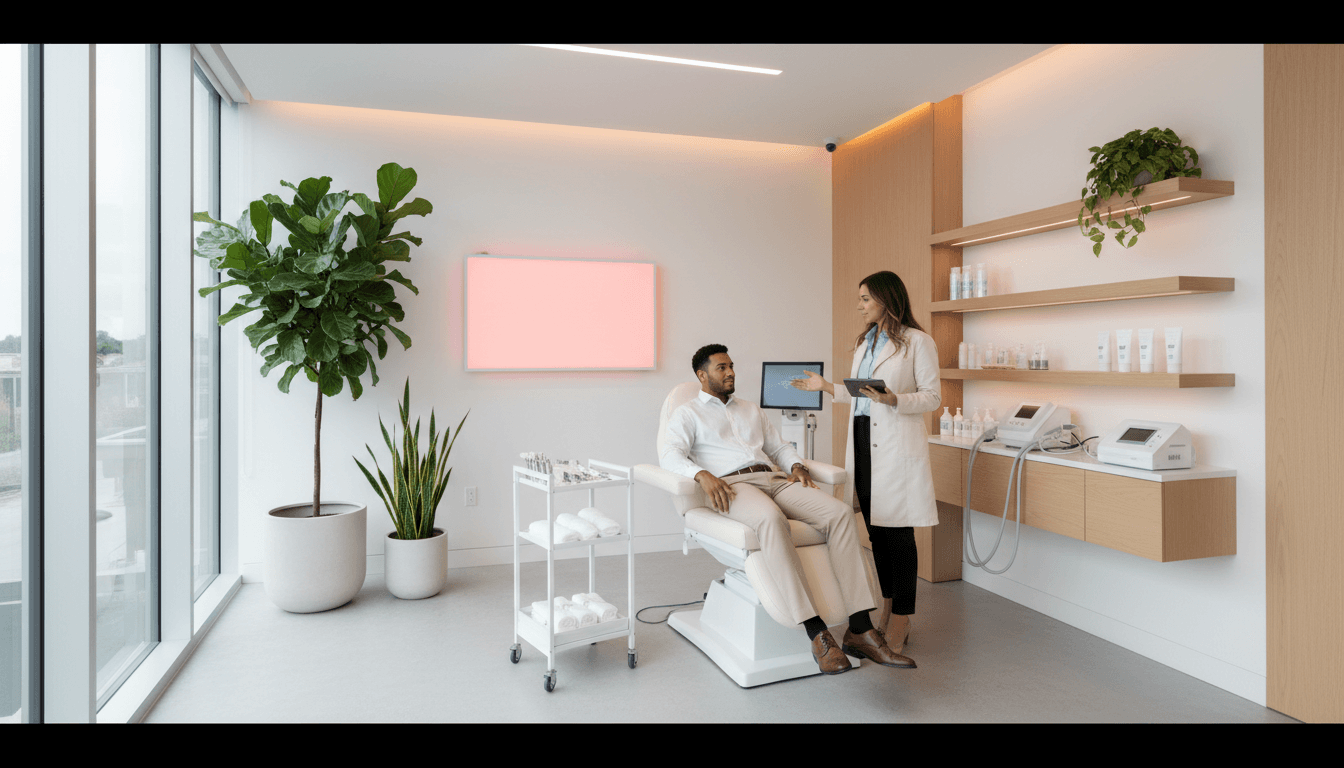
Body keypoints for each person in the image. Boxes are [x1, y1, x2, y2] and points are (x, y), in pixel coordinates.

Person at [661, 343, 915, 674]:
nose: (731, 372)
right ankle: (817, 632)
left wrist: (796, 464)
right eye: (721, 367)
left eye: (731, 365)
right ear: (702, 375)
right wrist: (701, 474)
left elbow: (778, 446)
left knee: (838, 514)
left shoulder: (750, 409)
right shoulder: (688, 413)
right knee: (770, 519)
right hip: (732, 486)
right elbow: (670, 455)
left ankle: (860, 627)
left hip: (773, 478)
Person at [791, 271, 940, 655]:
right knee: (875, 533)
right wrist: (825, 387)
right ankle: (888, 608)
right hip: (862, 440)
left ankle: (903, 618)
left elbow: (932, 397)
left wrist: (895, 400)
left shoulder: (917, 342)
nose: (860, 306)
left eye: (865, 300)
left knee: (899, 536)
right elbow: (860, 395)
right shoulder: (866, 343)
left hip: (895, 444)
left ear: (886, 299)